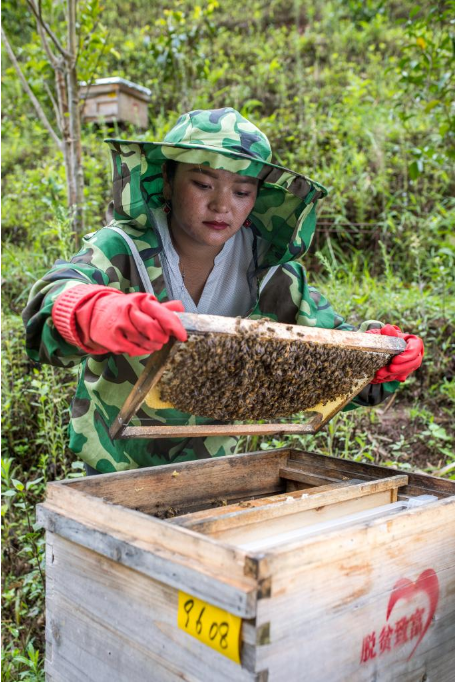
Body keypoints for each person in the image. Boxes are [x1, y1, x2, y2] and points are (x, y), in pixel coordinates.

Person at [22, 107, 424, 474]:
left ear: (257, 198)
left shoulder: (269, 271)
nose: (221, 206)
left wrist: (380, 358)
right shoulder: (121, 248)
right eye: (203, 184)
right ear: (167, 180)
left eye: (241, 192)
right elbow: (52, 300)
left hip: (214, 469)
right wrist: (93, 312)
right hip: (113, 466)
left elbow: (333, 347)